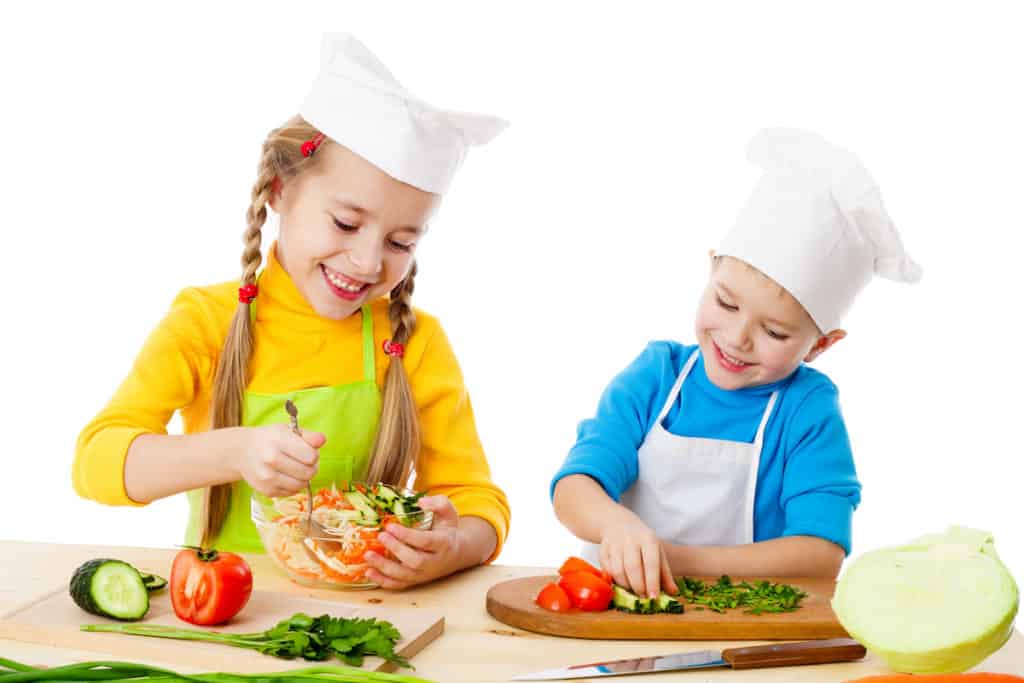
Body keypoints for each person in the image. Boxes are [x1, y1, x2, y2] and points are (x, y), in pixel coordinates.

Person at [74, 33, 510, 590]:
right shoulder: (206, 320)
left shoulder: (416, 341)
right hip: (224, 611)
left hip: (367, 613)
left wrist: (455, 545)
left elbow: (475, 497)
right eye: (346, 224)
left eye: (401, 242)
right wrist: (236, 450)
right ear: (280, 190)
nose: (367, 260)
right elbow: (96, 463)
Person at [551, 128, 921, 597]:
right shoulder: (655, 375)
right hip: (613, 607)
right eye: (726, 303)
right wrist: (616, 526)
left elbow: (820, 555)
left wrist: (676, 560)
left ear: (821, 345)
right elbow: (574, 486)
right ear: (711, 271)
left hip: (747, 627)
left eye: (775, 332)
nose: (737, 338)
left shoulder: (807, 410)